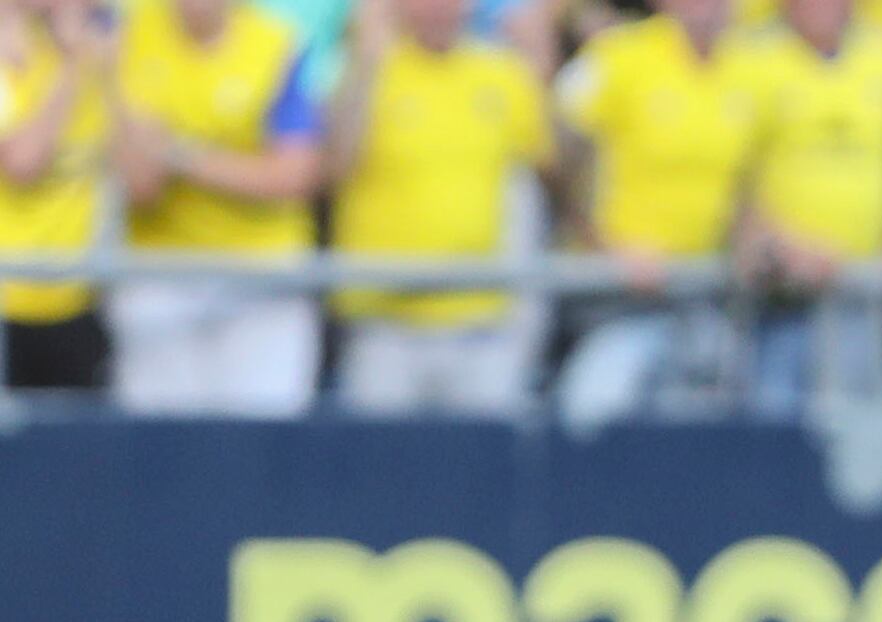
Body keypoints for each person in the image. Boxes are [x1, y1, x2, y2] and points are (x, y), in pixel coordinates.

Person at [327, 0, 552, 415]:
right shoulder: (371, 70)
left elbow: (550, 168)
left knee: (483, 468)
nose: (437, 10)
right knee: (380, 469)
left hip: (479, 322)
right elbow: (335, 164)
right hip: (386, 321)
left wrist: (543, 64)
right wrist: (366, 61)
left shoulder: (502, 74)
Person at [553, 0, 762, 426]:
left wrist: (749, 237)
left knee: (706, 433)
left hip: (706, 296)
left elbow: (750, 181)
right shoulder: (620, 55)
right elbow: (559, 161)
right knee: (595, 420)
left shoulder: (751, 67)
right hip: (618, 297)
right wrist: (605, 246)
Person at [110, 0, 321, 415]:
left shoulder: (275, 42)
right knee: (163, 443)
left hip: (261, 276)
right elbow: (140, 182)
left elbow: (293, 176)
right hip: (162, 275)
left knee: (261, 441)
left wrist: (180, 155)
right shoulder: (129, 33)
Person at [735, 0, 882, 417]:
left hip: (867, 293)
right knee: (774, 430)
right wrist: (777, 242)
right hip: (781, 297)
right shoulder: (747, 59)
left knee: (864, 431)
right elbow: (727, 175)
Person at [0, 0, 109, 393]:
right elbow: (23, 161)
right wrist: (73, 70)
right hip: (9, 299)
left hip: (80, 299)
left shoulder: (104, 53)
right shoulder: (14, 58)